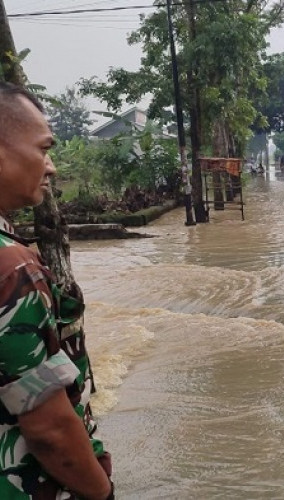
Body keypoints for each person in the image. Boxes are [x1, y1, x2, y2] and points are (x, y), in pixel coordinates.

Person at [0, 82, 114, 499]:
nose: (50, 167)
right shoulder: (13, 269)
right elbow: (48, 429)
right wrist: (101, 491)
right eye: (43, 149)